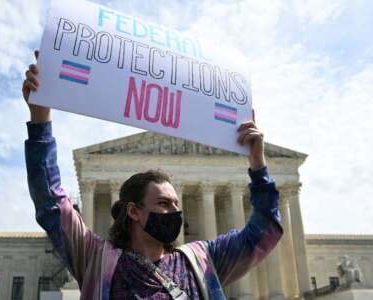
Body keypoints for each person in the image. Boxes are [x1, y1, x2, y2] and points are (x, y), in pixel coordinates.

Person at [23, 51, 283, 299]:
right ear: (134, 211)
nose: (175, 212)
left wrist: (258, 164)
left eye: (175, 204)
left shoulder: (202, 261)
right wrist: (39, 119)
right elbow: (51, 202)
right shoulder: (96, 260)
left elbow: (263, 231)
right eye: (163, 203)